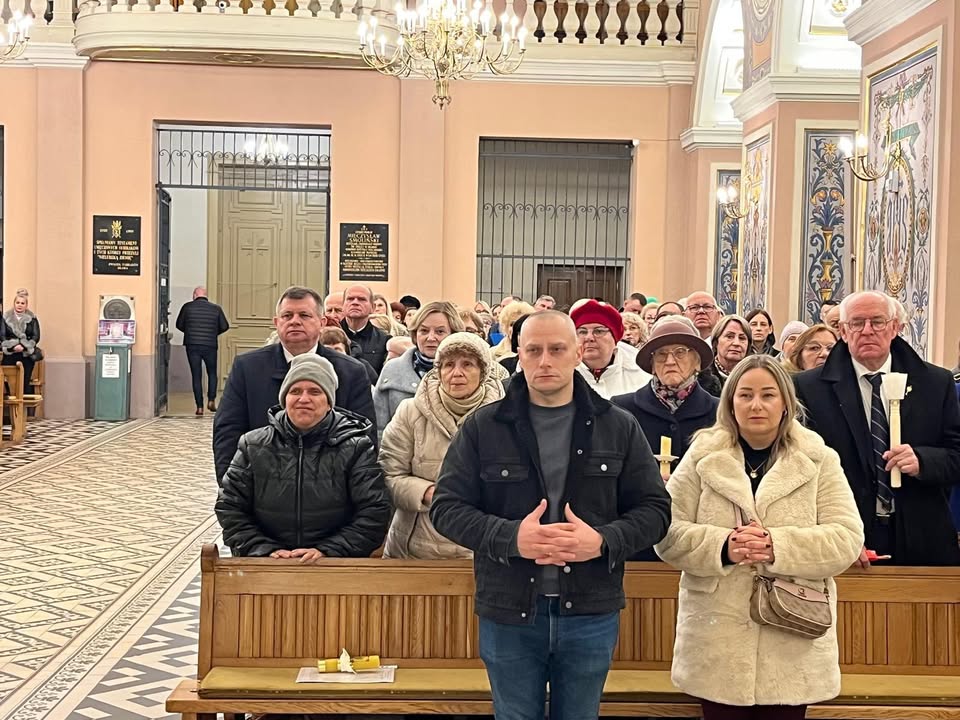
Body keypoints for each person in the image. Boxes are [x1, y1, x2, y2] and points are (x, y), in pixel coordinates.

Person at [430, 310, 671, 720]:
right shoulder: (483, 427)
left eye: (557, 350)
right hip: (510, 610)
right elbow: (447, 508)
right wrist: (511, 538)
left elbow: (656, 510)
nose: (545, 361)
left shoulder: (619, 426)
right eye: (534, 350)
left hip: (590, 610)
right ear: (517, 356)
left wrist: (603, 541)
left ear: (577, 353)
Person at [655, 354, 863, 720]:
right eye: (745, 395)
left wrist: (775, 545)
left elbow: (846, 538)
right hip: (717, 638)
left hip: (792, 634)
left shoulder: (818, 459)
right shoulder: (703, 456)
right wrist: (724, 546)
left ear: (785, 403)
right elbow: (666, 531)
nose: (756, 405)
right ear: (730, 402)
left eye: (768, 395)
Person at [795, 290, 960, 566]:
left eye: (878, 322)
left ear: (895, 327)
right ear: (843, 332)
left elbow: (956, 453)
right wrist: (835, 535)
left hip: (922, 535)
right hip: (846, 535)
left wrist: (923, 460)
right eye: (857, 323)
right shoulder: (809, 388)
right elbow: (801, 468)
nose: (867, 330)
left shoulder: (935, 383)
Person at [216, 353, 390, 559]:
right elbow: (230, 507)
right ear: (284, 399)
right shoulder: (252, 445)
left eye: (315, 391)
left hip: (334, 565)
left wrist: (328, 551)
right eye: (295, 391)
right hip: (266, 564)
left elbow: (374, 510)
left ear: (329, 402)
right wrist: (264, 549)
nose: (304, 399)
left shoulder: (356, 447)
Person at [213, 287, 376, 483]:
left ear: (322, 322)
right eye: (287, 315)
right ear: (276, 323)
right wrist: (232, 487)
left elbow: (364, 439)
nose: (295, 321)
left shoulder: (351, 372)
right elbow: (228, 432)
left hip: (331, 488)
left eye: (304, 315)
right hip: (262, 486)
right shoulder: (247, 368)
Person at [380, 333, 504, 559]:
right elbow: (389, 475)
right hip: (415, 550)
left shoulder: (503, 417)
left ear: (483, 371)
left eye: (467, 364)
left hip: (481, 548)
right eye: (448, 365)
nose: (456, 373)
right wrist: (429, 493)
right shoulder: (410, 412)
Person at [613, 316, 718, 480]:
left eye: (680, 352)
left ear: (697, 362)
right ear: (652, 365)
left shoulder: (719, 411)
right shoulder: (623, 409)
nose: (670, 361)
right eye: (661, 354)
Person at [373, 301, 464, 437]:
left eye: (440, 331)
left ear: (453, 334)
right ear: (415, 334)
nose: (431, 338)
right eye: (424, 331)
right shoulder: (393, 369)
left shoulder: (465, 373)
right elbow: (379, 427)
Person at [571, 299, 651, 398]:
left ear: (615, 338)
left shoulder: (638, 369)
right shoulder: (563, 369)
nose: (589, 338)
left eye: (599, 331)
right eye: (582, 332)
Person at [175, 286, 230, 415]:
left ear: (195, 295)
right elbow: (224, 326)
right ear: (206, 295)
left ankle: (199, 406)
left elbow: (179, 324)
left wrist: (190, 332)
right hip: (210, 344)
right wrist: (213, 333)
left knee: (196, 375)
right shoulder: (216, 309)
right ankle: (211, 400)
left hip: (192, 344)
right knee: (212, 373)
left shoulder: (187, 307)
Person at [341, 285, 390, 375]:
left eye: (362, 299)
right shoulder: (328, 336)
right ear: (342, 306)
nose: (355, 302)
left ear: (373, 307)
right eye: (350, 299)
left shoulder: (384, 340)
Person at [1, 289, 42, 393]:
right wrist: (13, 346)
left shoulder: (32, 318)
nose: (20, 305)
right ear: (14, 303)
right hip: (10, 353)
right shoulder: (6, 317)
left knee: (24, 383)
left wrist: (24, 346)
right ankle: (12, 400)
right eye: (18, 302)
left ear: (26, 305)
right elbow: (2, 335)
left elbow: (36, 336)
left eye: (22, 303)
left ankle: (23, 401)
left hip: (26, 354)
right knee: (10, 383)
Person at [709, 314, 751, 393]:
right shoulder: (701, 377)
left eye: (742, 338)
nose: (736, 343)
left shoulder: (755, 375)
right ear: (716, 342)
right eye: (729, 336)